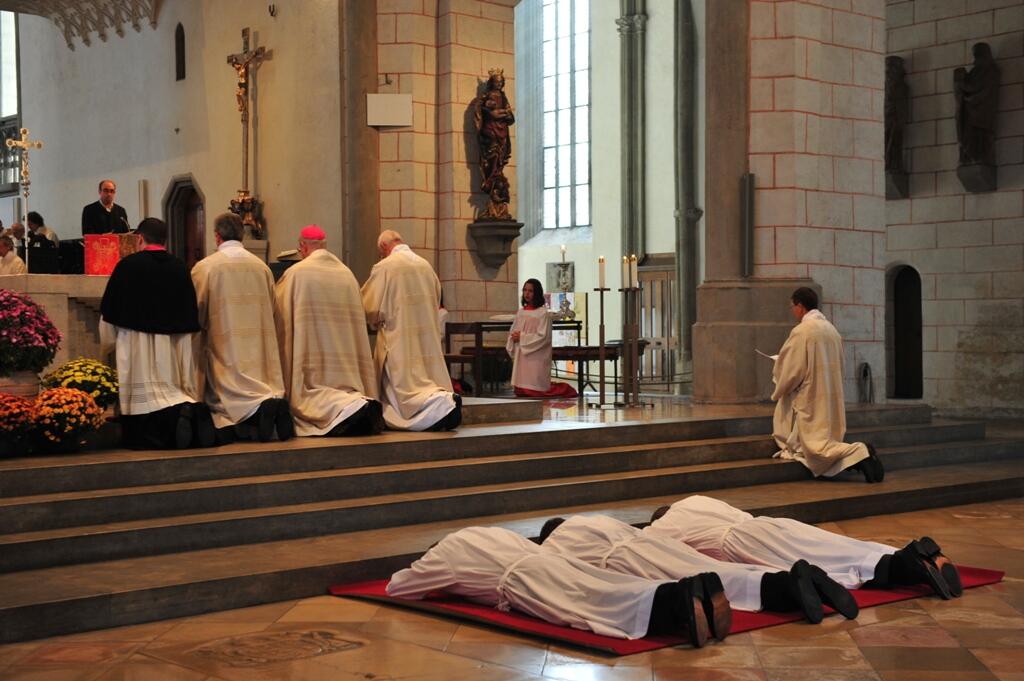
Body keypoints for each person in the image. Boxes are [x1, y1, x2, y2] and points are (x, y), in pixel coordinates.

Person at [387, 525, 727, 647]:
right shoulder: (477, 531)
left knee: (596, 605)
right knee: (609, 584)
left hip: (526, 581)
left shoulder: (441, 556)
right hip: (547, 559)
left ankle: (679, 605)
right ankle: (686, 592)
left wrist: (437, 579)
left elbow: (398, 588)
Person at [538, 514, 858, 628]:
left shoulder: (553, 545)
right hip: (654, 546)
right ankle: (793, 580)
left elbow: (572, 573)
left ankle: (789, 589)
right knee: (718, 569)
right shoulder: (595, 519)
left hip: (630, 561)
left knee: (719, 585)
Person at [648, 496, 963, 600]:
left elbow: (653, 548)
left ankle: (903, 569)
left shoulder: (663, 525)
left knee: (823, 563)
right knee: (832, 545)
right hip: (769, 524)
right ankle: (910, 555)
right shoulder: (695, 500)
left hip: (744, 544)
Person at [99, 218, 215, 449]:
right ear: (165, 239)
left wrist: (108, 343)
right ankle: (182, 415)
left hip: (135, 343)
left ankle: (149, 433)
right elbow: (190, 314)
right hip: (173, 345)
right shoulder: (180, 267)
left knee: (144, 397)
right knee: (173, 390)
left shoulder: (127, 265)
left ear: (140, 238)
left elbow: (109, 313)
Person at [273, 224, 384, 437]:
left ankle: (346, 408)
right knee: (348, 392)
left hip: (313, 359)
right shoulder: (347, 274)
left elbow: (279, 315)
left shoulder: (296, 274)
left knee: (314, 395)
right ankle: (356, 404)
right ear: (324, 245)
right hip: (345, 364)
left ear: (303, 247)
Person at [192, 212, 293, 442]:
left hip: (225, 344)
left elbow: (195, 311)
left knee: (226, 396)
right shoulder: (262, 267)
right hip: (258, 346)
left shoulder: (206, 267)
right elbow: (274, 310)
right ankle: (268, 403)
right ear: (242, 235)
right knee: (259, 383)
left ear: (217, 237)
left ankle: (255, 414)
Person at [772, 287, 883, 482]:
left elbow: (791, 370)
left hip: (810, 396)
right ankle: (857, 458)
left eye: (792, 306)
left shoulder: (802, 331)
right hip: (830, 395)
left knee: (814, 448)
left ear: (800, 306)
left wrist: (779, 381)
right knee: (823, 440)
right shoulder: (831, 329)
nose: (792, 311)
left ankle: (858, 451)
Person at [361, 230, 461, 431]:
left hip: (398, 338)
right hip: (425, 340)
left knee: (403, 390)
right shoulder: (425, 265)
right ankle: (442, 403)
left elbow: (370, 307)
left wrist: (373, 318)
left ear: (383, 247)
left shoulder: (385, 267)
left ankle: (429, 411)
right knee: (424, 380)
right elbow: (436, 299)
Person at [506, 278, 578, 399]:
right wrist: (513, 337)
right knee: (521, 391)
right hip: (522, 353)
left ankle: (565, 389)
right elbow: (513, 330)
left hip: (537, 355)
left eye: (530, 291)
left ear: (537, 293)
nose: (527, 293)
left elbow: (543, 336)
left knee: (535, 391)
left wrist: (522, 337)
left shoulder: (542, 313)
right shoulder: (521, 312)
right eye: (525, 290)